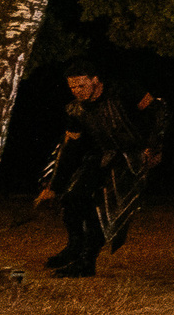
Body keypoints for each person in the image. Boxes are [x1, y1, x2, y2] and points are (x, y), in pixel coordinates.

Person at [33, 61, 166, 278]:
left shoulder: (125, 91)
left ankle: (86, 262)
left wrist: (154, 147)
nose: (77, 91)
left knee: (104, 207)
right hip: (105, 154)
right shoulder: (75, 110)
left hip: (134, 155)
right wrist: (54, 186)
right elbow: (69, 148)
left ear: (95, 81)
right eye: (72, 87)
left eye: (81, 86)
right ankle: (74, 248)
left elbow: (159, 112)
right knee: (72, 197)